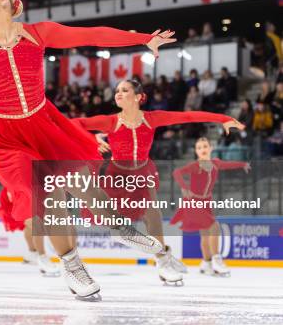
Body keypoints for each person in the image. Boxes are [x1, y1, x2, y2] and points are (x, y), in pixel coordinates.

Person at [0, 0, 175, 300]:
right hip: (8, 135)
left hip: (45, 123)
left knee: (83, 184)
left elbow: (91, 35)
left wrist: (145, 39)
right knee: (45, 194)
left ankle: (119, 228)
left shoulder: (38, 33)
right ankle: (73, 265)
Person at [73, 80, 244, 284]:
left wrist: (222, 119)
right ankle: (157, 250)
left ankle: (163, 261)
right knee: (115, 225)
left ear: (138, 97)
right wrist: (91, 139)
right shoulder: (111, 121)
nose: (118, 93)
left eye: (124, 90)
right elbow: (74, 124)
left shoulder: (152, 119)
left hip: (143, 173)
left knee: (153, 213)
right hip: (116, 176)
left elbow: (188, 116)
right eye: (117, 90)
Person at [172, 137, 250, 276]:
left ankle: (206, 263)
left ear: (210, 148)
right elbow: (176, 172)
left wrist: (242, 164)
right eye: (199, 147)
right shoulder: (195, 166)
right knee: (214, 227)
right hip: (193, 202)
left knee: (205, 233)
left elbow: (229, 164)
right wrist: (184, 187)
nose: (203, 149)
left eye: (205, 146)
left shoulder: (215, 163)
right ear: (196, 151)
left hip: (206, 202)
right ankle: (216, 261)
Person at [0, 187, 60, 277]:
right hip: (14, 203)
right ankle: (42, 258)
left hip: (22, 197)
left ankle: (32, 253)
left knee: (32, 225)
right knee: (36, 224)